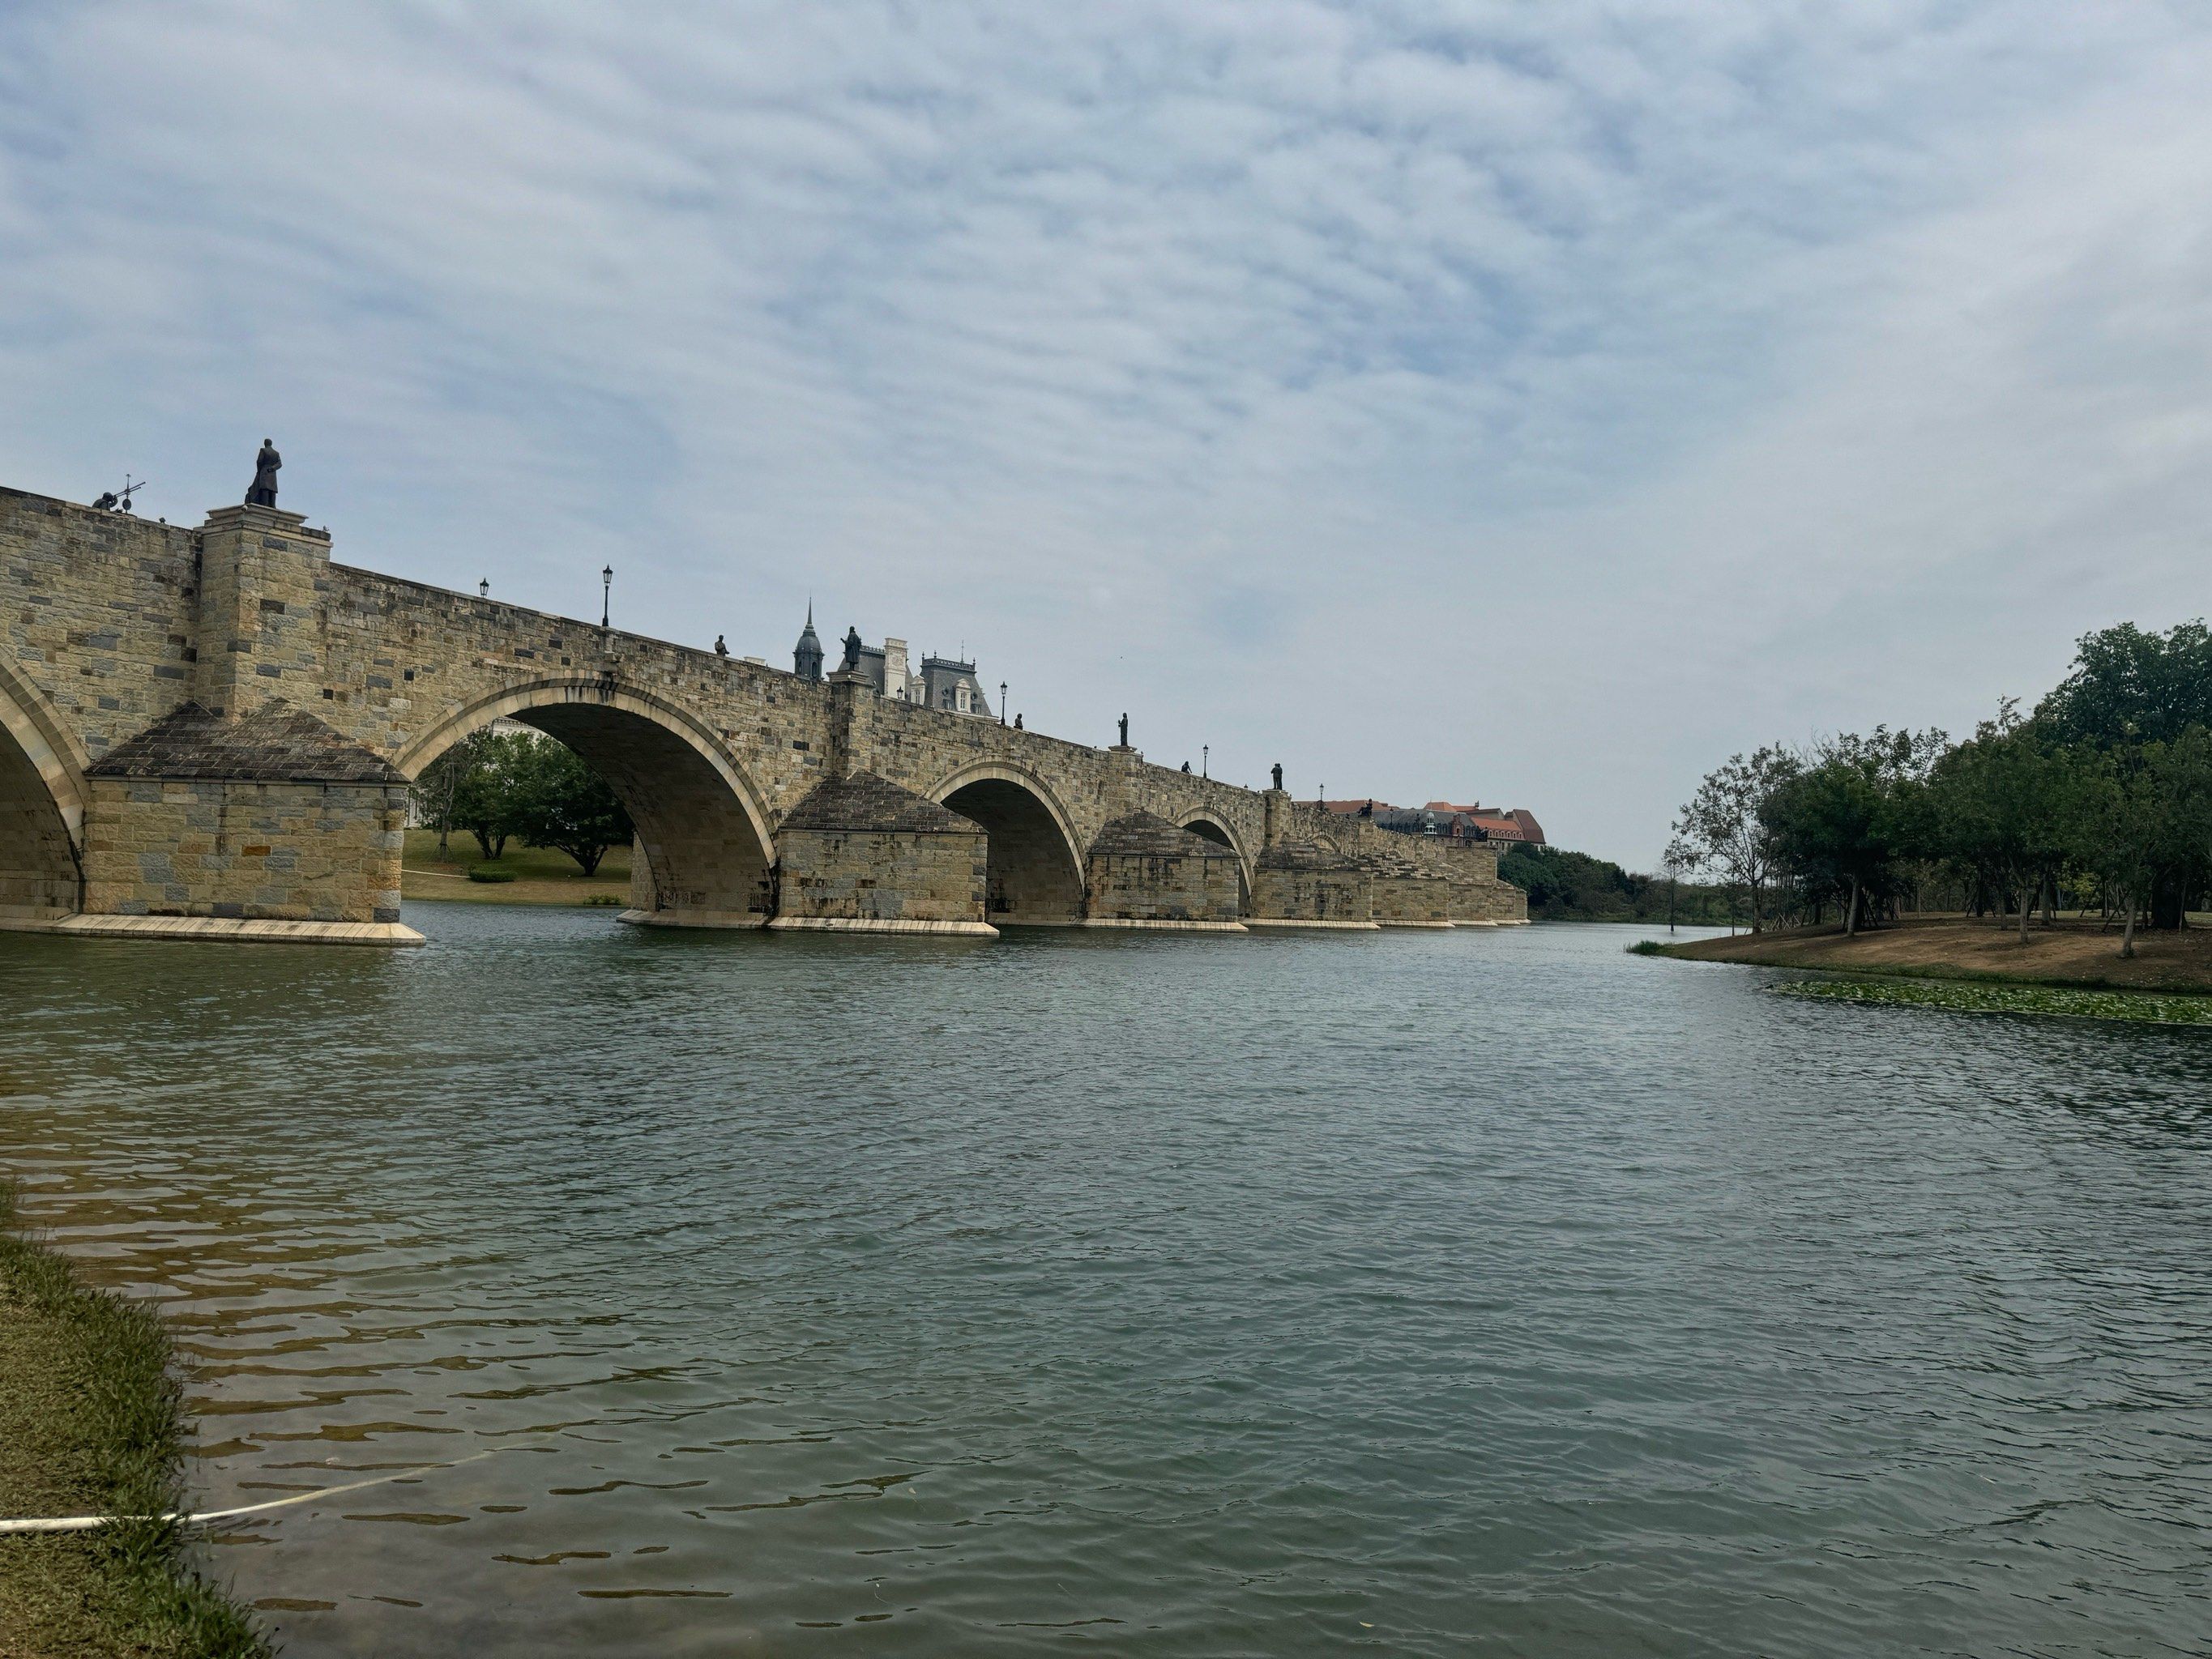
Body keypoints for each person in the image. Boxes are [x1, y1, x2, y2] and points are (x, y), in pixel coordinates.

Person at [246, 438, 280, 507]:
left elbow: (259, 461)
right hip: (273, 474)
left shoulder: (263, 450)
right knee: (272, 489)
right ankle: (273, 506)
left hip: (264, 471)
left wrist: (259, 470)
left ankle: (265, 505)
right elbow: (279, 464)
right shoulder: (276, 453)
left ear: (265, 443)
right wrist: (273, 468)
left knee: (265, 488)